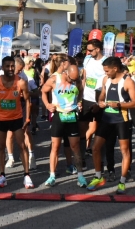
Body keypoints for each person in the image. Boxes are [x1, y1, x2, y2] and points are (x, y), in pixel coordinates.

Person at [88, 57, 135, 193]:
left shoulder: (127, 82)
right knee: (95, 148)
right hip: (107, 119)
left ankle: (122, 181)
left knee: (124, 151)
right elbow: (101, 96)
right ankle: (98, 176)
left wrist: (118, 104)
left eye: (107, 71)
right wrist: (100, 103)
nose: (106, 74)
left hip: (121, 120)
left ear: (115, 68)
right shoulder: (106, 80)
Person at [42, 58, 89, 188]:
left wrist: (78, 102)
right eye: (70, 79)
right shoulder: (54, 79)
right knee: (55, 147)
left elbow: (80, 93)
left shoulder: (77, 81)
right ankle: (52, 176)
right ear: (66, 73)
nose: (72, 82)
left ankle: (80, 176)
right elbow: (43, 91)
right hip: (59, 116)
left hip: (72, 117)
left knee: (76, 147)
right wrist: (47, 105)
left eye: (74, 80)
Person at [0, 56, 34, 189]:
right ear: (2, 67)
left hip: (16, 119)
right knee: (1, 147)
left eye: (12, 66)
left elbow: (27, 101)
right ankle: (2, 176)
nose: (10, 68)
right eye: (7, 66)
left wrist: (28, 118)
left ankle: (26, 175)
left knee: (22, 146)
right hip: (0, 119)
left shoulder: (21, 82)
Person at [81, 40, 106, 160]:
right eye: (88, 50)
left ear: (98, 49)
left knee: (99, 128)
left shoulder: (105, 61)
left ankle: (100, 155)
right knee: (83, 128)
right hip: (86, 97)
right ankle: (81, 155)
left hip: (100, 99)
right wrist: (80, 96)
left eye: (91, 50)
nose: (89, 52)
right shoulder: (87, 59)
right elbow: (84, 78)